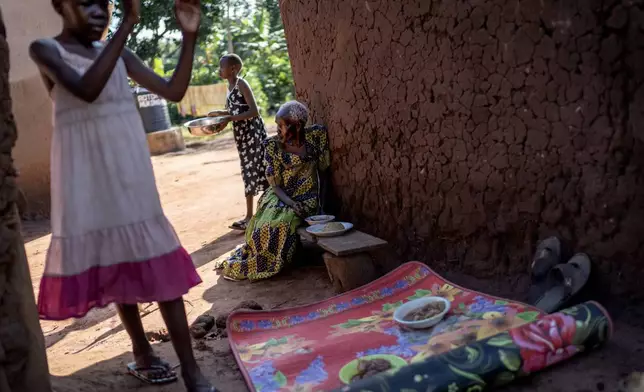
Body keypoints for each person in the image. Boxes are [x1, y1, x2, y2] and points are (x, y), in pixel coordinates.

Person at [29, 0, 215, 390]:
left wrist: (189, 36)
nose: (99, 10)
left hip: (129, 173)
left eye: (106, 3)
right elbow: (86, 89)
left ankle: (192, 371)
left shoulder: (119, 53)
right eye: (86, 1)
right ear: (59, 5)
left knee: (155, 259)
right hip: (86, 180)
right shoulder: (46, 49)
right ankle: (142, 351)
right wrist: (127, 25)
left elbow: (175, 91)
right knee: (116, 261)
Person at [217, 101, 330, 281]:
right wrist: (292, 203)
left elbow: (323, 173)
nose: (277, 130)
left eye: (282, 126)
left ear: (298, 125)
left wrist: (322, 206)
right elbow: (275, 186)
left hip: (307, 197)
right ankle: (262, 261)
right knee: (265, 225)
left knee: (283, 224)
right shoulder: (273, 146)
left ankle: (282, 259)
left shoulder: (316, 137)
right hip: (282, 196)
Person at [208, 54, 269, 231]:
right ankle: (252, 215)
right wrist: (219, 114)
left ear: (233, 69)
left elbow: (254, 111)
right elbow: (232, 110)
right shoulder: (230, 86)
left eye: (222, 67)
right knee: (248, 172)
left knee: (256, 171)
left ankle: (252, 216)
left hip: (253, 134)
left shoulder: (242, 83)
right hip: (242, 136)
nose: (219, 70)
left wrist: (228, 118)